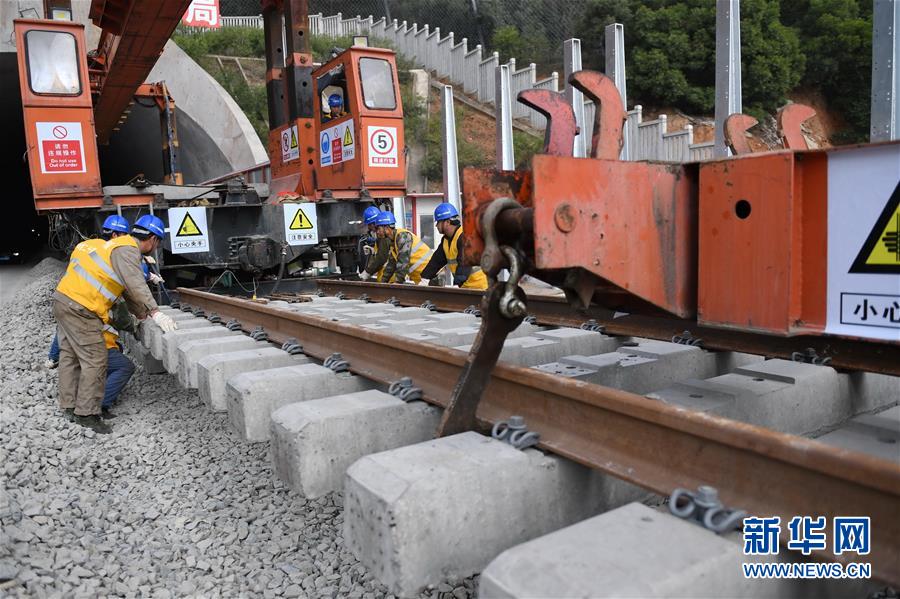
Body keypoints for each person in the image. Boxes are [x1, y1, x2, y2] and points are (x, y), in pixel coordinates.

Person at [52, 214, 177, 434]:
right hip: (83, 308)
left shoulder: (115, 245)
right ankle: (87, 414)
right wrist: (155, 312)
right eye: (157, 243)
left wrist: (141, 315)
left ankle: (70, 407)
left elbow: (127, 291)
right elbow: (136, 284)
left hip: (64, 300)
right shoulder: (128, 249)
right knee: (95, 360)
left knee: (69, 357)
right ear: (153, 240)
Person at [420, 203, 488, 290]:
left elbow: (464, 263)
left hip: (479, 287)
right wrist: (425, 278)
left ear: (447, 222)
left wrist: (457, 284)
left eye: (438, 222)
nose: (436, 225)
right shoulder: (446, 241)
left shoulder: (464, 237)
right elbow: (436, 262)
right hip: (466, 287)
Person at [373, 211, 432, 284]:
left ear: (387, 228)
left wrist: (397, 282)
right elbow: (391, 265)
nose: (377, 232)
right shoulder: (393, 242)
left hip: (432, 275)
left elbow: (403, 261)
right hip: (422, 278)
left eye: (378, 228)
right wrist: (383, 282)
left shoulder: (403, 237)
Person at [358, 206, 390, 282]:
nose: (368, 228)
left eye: (369, 224)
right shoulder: (382, 234)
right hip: (386, 275)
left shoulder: (383, 235)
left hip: (389, 276)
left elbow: (381, 258)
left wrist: (367, 272)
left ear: (374, 223)